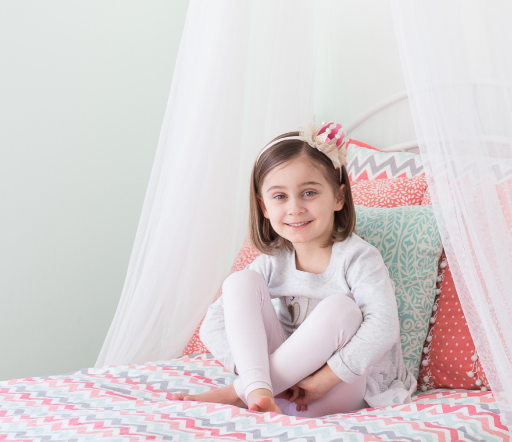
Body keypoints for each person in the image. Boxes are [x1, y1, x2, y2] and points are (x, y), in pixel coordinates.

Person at [171, 122, 415, 417]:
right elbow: (213, 323)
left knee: (343, 309)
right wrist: (254, 368)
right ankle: (257, 385)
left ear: (338, 197)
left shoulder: (357, 258)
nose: (295, 208)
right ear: (264, 207)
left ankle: (242, 392)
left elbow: (384, 327)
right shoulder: (274, 261)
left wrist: (324, 379)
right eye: (279, 197)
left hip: (338, 390)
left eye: (309, 193)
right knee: (239, 282)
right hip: (283, 395)